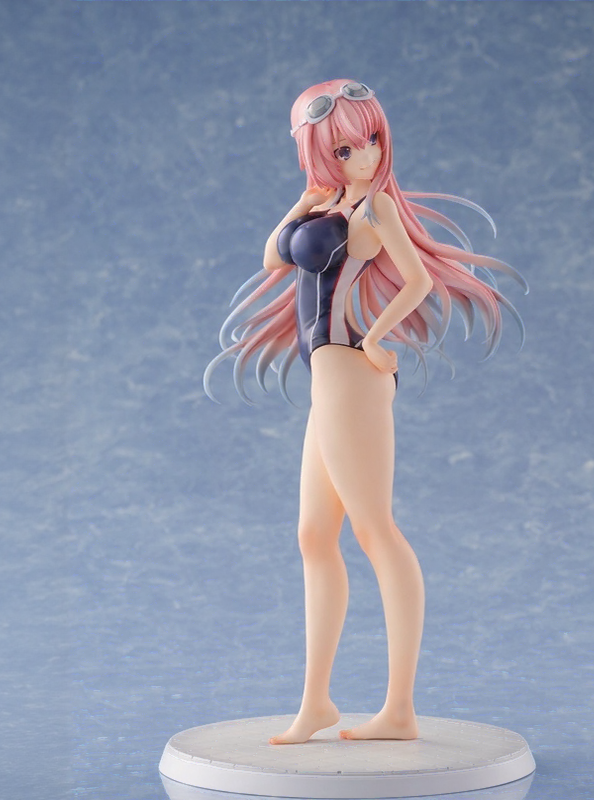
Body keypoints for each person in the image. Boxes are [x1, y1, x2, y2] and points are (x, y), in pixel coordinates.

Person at [204, 80, 526, 744]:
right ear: (319, 154)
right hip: (328, 380)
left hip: (350, 374)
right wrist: (302, 202)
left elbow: (418, 280)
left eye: (372, 139)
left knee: (376, 531)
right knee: (313, 536)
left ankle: (399, 710)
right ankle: (316, 703)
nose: (366, 156)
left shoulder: (375, 208)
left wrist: (378, 338)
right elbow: (272, 258)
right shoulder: (332, 203)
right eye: (346, 147)